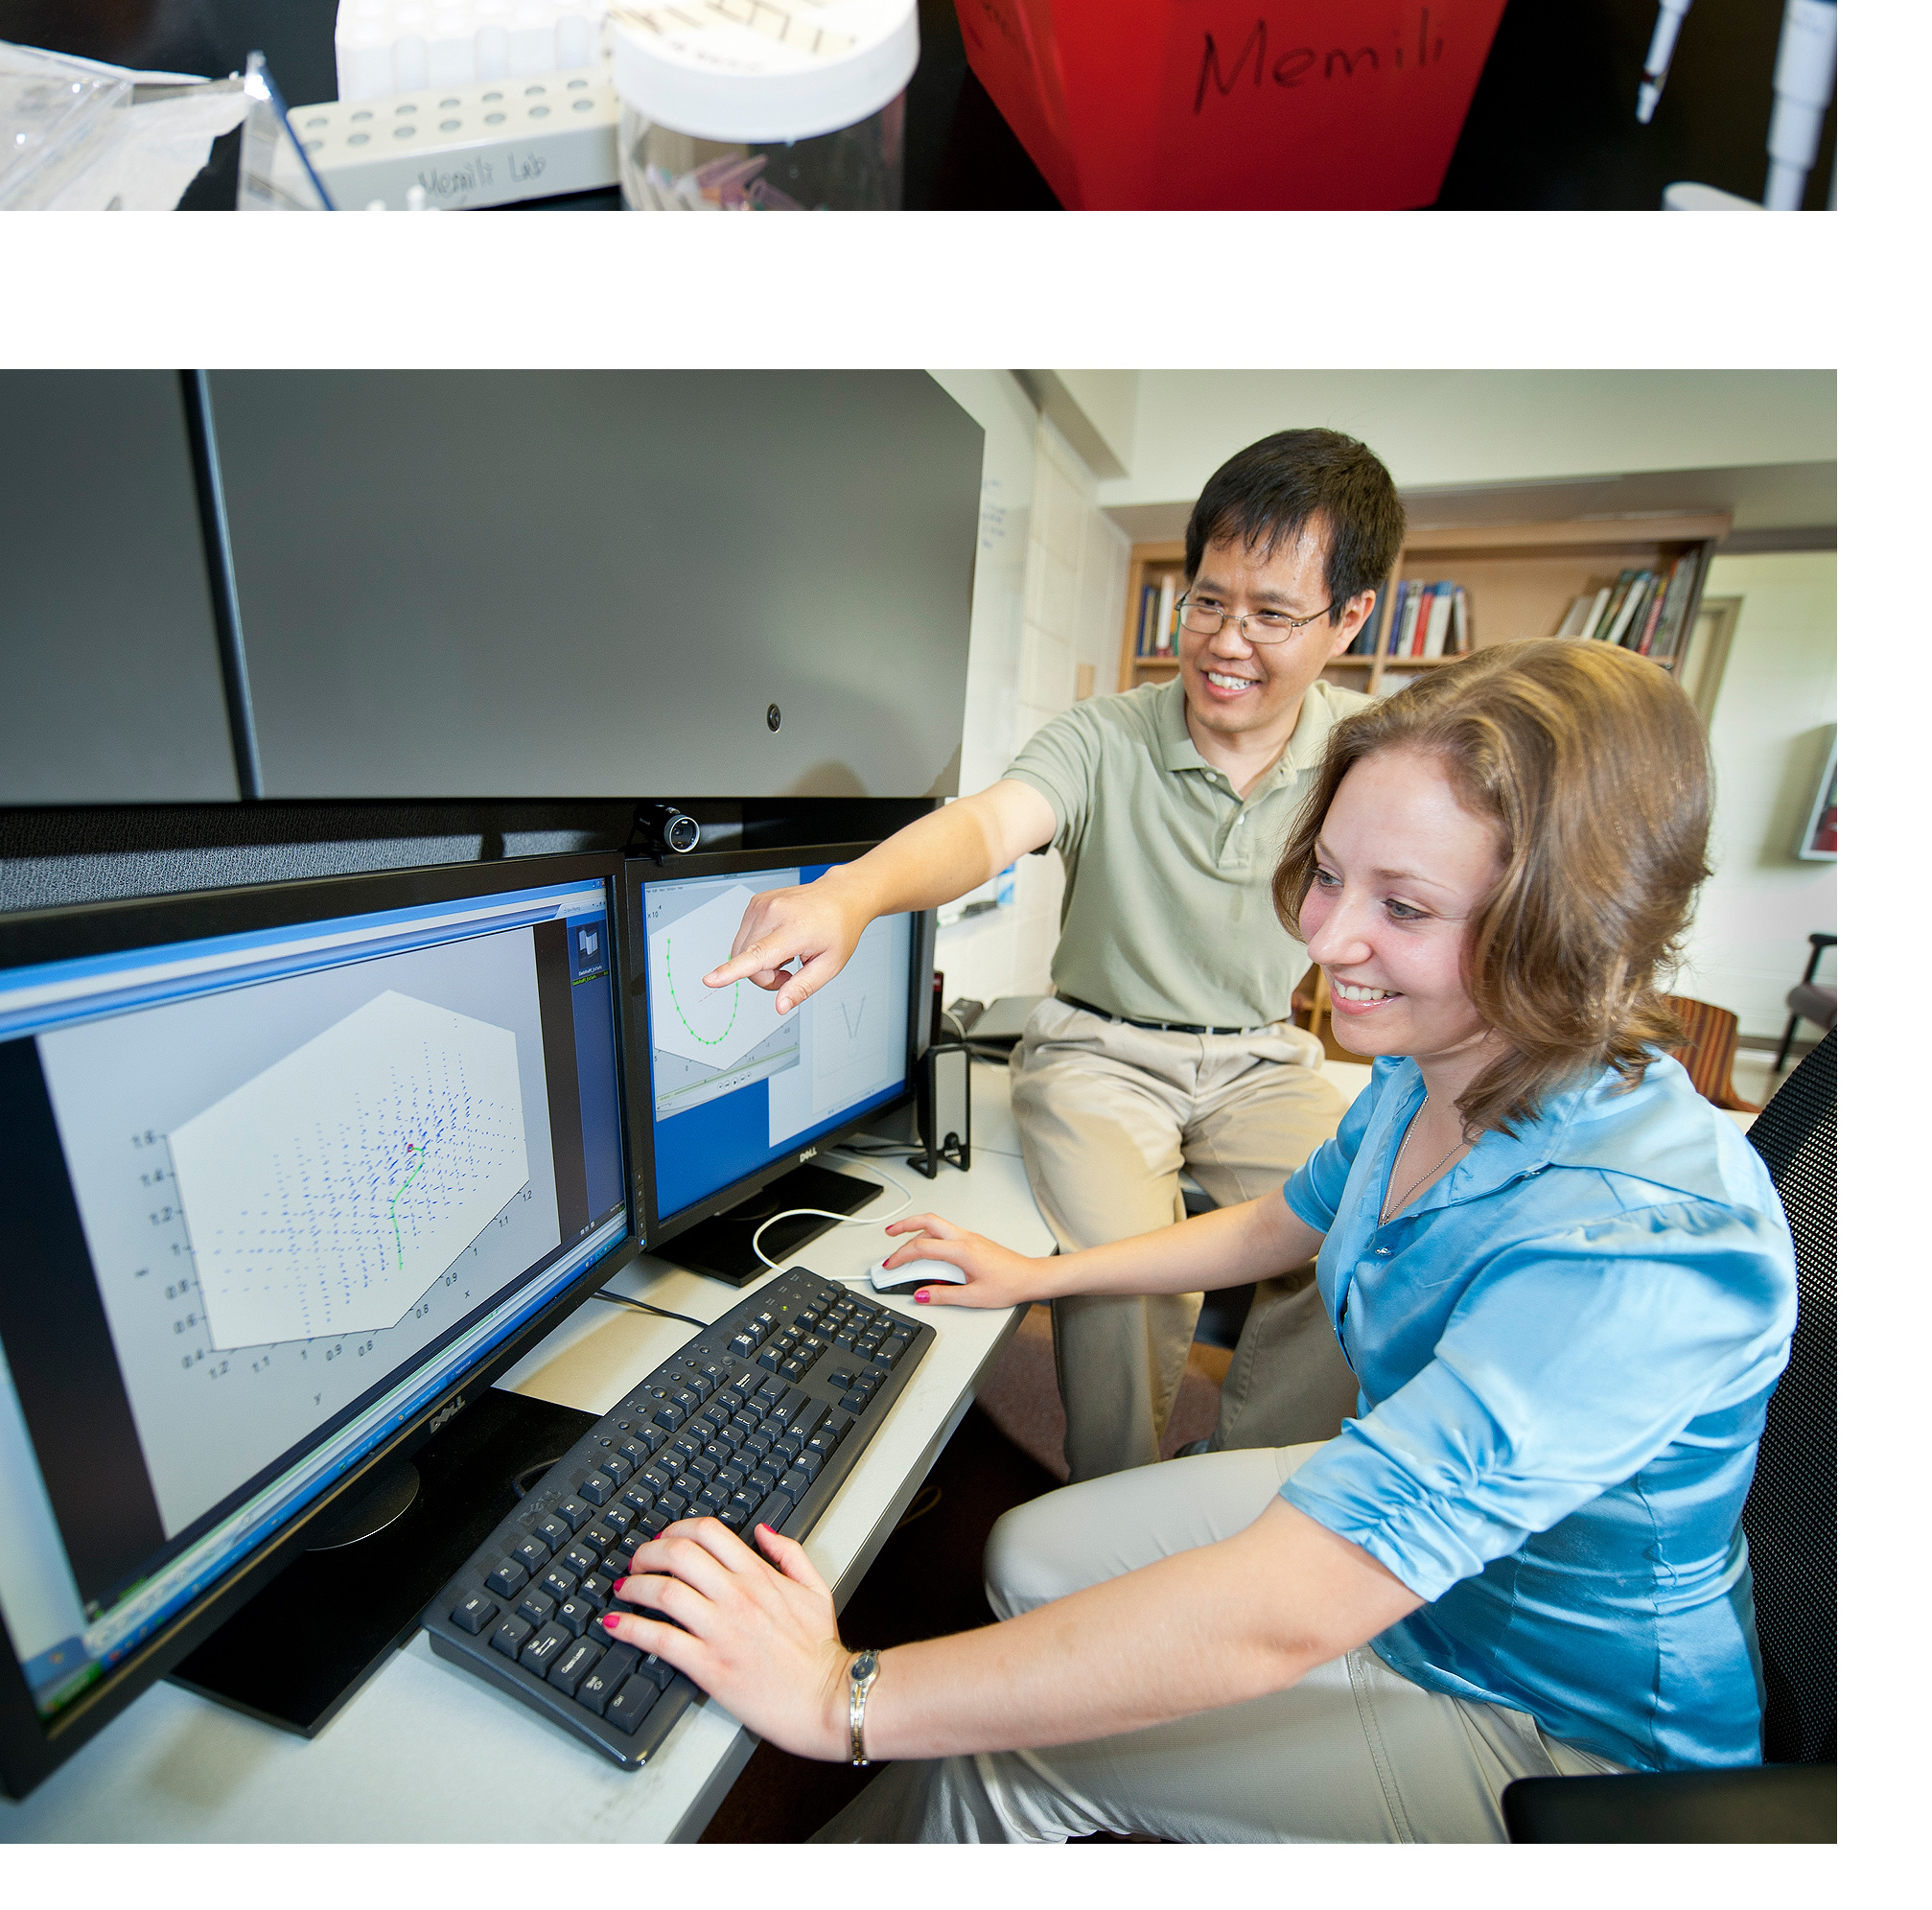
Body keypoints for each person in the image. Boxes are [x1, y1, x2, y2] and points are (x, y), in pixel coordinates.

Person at [607, 641, 1798, 1841]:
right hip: (1425, 1561)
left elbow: (1290, 1605)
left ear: (1569, 926)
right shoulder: (1437, 1063)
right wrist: (1044, 1274)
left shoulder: (1645, 1242)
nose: (1327, 941)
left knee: (1000, 1758)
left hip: (1545, 1715)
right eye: (1328, 874)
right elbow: (1289, 1219)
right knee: (1024, 1555)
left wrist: (837, 1696)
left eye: (1405, 906)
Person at [707, 427, 1404, 1477]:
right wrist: (852, 892)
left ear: (1351, 616)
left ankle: (1251, 1493)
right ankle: (1112, 1498)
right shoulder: (1104, 735)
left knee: (1368, 1231)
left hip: (1264, 1057)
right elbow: (987, 825)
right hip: (1101, 1053)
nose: (1225, 639)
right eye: (1208, 599)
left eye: (1271, 614)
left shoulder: (1372, 749)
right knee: (1131, 1272)